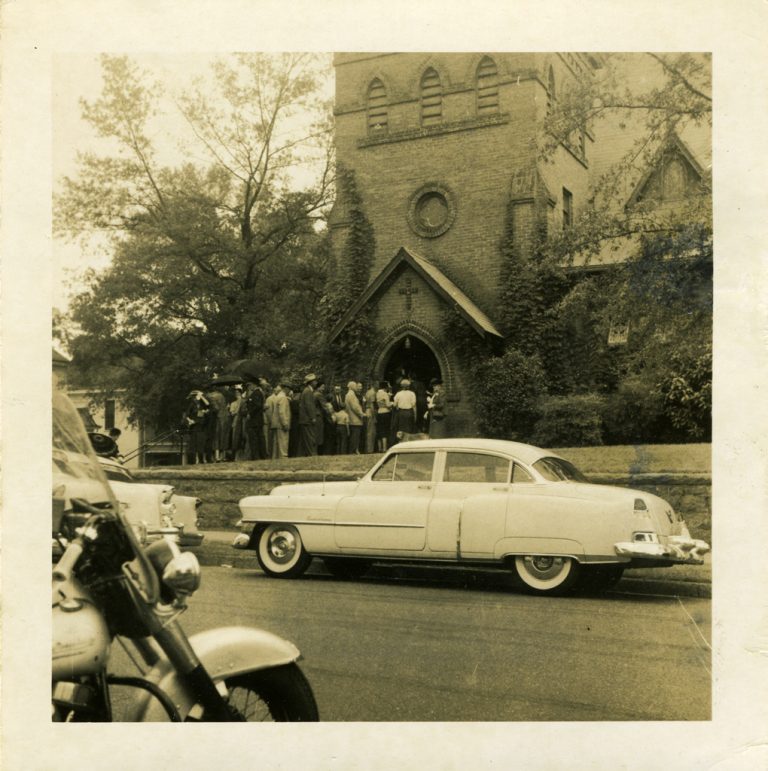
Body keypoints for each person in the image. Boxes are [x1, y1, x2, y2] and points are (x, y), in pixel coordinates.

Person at [183, 390, 210, 464]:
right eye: (198, 395)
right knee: (195, 443)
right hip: (195, 426)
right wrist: (190, 421)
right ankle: (196, 460)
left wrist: (202, 396)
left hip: (202, 425)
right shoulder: (192, 404)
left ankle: (201, 460)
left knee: (201, 443)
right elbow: (187, 415)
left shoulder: (201, 403)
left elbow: (208, 404)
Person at [243, 379, 267, 460]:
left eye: (250, 385)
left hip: (255, 420)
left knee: (254, 439)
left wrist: (250, 413)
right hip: (257, 420)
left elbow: (257, 405)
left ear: (254, 385)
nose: (249, 387)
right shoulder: (257, 393)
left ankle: (256, 456)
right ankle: (261, 455)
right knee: (259, 438)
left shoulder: (256, 393)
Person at [266, 383, 291, 459]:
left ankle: (276, 458)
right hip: (281, 424)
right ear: (286, 388)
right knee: (283, 443)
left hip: (276, 423)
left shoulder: (277, 397)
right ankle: (283, 457)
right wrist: (285, 423)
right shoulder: (283, 398)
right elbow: (282, 412)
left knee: (276, 444)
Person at [298, 374, 319, 456]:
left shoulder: (307, 391)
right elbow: (309, 405)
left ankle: (307, 454)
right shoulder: (308, 391)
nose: (316, 382)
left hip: (305, 419)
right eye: (315, 381)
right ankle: (312, 454)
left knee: (306, 438)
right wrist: (313, 417)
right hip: (307, 420)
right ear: (311, 382)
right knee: (310, 437)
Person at [391, 378, 417, 444]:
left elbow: (394, 404)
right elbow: (414, 405)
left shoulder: (398, 394)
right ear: (409, 386)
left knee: (401, 429)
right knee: (409, 429)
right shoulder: (412, 394)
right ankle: (409, 443)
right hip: (409, 412)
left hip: (401, 413)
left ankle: (401, 443)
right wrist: (415, 415)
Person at [345, 380, 365, 454]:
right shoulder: (351, 395)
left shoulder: (348, 394)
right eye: (355, 386)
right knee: (355, 436)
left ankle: (354, 450)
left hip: (352, 418)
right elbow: (355, 407)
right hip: (355, 419)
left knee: (354, 435)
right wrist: (362, 414)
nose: (357, 387)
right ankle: (354, 450)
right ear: (352, 387)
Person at [375, 381, 392, 452]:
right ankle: (385, 448)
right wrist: (392, 403)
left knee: (380, 430)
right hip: (385, 412)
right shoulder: (385, 394)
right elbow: (388, 404)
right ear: (385, 387)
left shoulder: (377, 393)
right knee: (385, 430)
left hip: (379, 412)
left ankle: (380, 448)